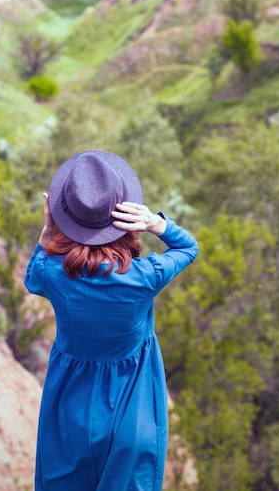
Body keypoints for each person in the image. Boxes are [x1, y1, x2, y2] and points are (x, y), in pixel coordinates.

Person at [24, 150, 199, 491]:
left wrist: (47, 234)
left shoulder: (52, 274)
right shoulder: (147, 275)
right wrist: (154, 223)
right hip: (132, 410)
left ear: (63, 215)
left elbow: (32, 277)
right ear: (122, 214)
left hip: (68, 405)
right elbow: (188, 248)